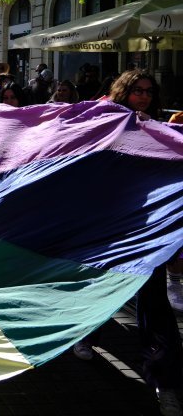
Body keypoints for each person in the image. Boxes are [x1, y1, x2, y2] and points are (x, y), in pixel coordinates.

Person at [74, 70, 182, 416]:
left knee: (153, 302)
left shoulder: (158, 128)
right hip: (110, 227)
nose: (144, 96)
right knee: (102, 288)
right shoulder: (107, 120)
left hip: (146, 230)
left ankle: (164, 382)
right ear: (124, 92)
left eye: (149, 91)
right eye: (137, 90)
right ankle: (86, 335)